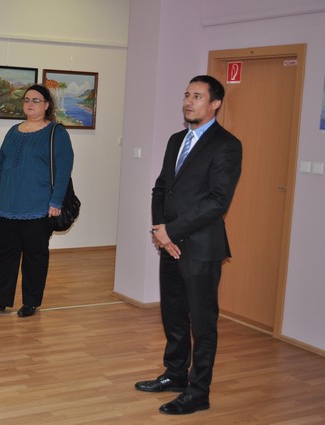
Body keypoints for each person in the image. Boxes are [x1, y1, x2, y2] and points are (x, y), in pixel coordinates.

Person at [135, 75, 242, 414]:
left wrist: (171, 231)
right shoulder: (176, 139)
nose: (188, 101)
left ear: (215, 104)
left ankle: (198, 392)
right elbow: (161, 188)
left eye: (197, 96)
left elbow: (217, 202)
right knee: (173, 315)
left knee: (202, 323)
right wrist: (160, 231)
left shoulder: (226, 145)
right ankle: (175, 374)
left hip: (200, 248)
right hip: (169, 243)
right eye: (186, 95)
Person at [0, 84, 74, 317]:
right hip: (7, 205)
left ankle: (31, 302)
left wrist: (56, 202)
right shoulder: (13, 131)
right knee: (5, 255)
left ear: (47, 105)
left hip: (38, 208)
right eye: (27, 99)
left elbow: (64, 170)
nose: (30, 104)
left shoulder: (57, 133)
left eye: (36, 100)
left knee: (35, 257)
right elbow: (0, 163)